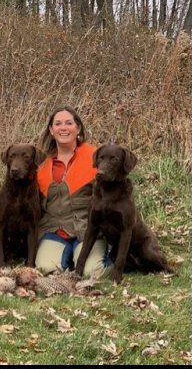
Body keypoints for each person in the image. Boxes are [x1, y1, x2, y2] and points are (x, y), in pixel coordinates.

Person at [35, 105, 113, 278]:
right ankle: (69, 259)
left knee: (93, 272)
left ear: (78, 128)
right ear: (51, 130)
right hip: (54, 229)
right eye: (58, 124)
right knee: (45, 269)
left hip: (88, 229)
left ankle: (119, 260)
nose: (63, 128)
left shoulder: (96, 157)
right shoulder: (40, 163)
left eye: (69, 123)